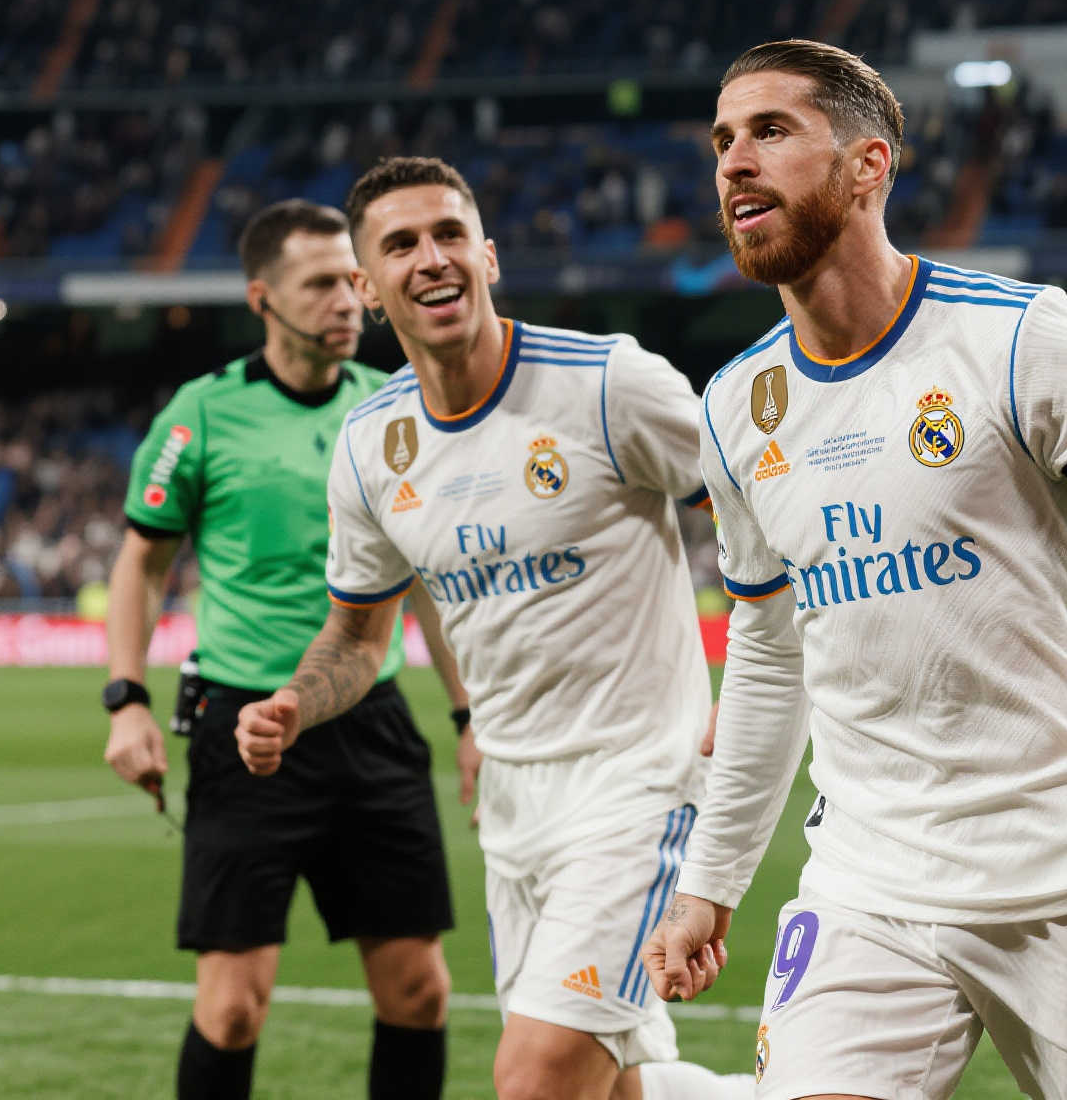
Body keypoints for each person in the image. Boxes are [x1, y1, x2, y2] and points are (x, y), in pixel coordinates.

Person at [642, 39, 1067, 1099]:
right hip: (867, 883)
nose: (734, 160)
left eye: (772, 131)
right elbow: (771, 651)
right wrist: (711, 879)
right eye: (723, 140)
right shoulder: (736, 407)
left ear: (868, 165)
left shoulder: (1015, 339)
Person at [229, 158, 748, 1100]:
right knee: (611, 1088)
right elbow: (357, 636)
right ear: (369, 288)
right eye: (400, 245)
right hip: (513, 807)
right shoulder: (372, 445)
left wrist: (755, 686)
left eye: (449, 235)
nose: (431, 258)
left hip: (641, 786)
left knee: (535, 1078)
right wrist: (294, 706)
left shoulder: (608, 384)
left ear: (489, 257)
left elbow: (762, 510)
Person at [103, 198, 471, 1100]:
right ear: (262, 298)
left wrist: (470, 718)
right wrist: (127, 700)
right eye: (319, 285)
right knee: (234, 1008)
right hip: (244, 728)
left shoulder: (394, 408)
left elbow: (427, 582)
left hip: (373, 724)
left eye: (352, 281)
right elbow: (141, 564)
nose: (347, 301)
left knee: (420, 991)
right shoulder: (202, 413)